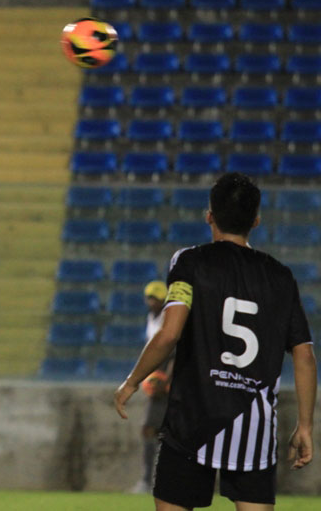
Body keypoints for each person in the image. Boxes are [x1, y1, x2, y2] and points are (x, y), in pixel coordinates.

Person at [114, 173, 317, 510]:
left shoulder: (188, 262)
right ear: (256, 221)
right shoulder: (281, 276)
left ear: (209, 215)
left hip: (191, 418)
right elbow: (304, 355)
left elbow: (169, 334)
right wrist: (305, 426)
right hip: (253, 422)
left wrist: (132, 381)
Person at [130, 280, 172, 494]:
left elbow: (174, 348)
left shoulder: (168, 318)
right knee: (152, 430)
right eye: (150, 297)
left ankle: (150, 481)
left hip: (165, 382)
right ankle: (151, 480)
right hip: (157, 380)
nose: (152, 301)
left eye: (156, 298)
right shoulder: (152, 318)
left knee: (154, 430)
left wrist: (167, 378)